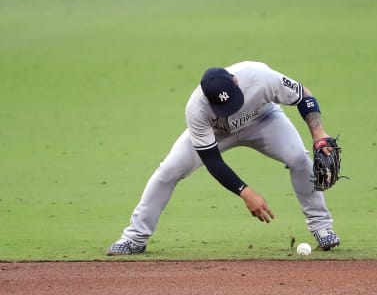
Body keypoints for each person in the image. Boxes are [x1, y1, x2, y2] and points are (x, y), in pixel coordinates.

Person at [107, 61, 340, 255]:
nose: (229, 108)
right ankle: (135, 238)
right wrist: (246, 192)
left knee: (299, 158)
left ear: (236, 82)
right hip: (217, 133)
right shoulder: (196, 108)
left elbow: (303, 96)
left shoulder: (260, 77)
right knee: (168, 171)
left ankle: (322, 227)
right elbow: (212, 160)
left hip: (263, 120)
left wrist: (318, 132)